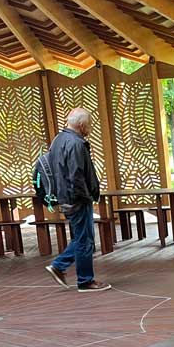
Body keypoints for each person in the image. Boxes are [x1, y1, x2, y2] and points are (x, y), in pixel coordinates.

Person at [44, 107, 111, 292]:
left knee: (83, 237)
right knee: (84, 240)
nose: (90, 128)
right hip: (77, 199)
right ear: (81, 125)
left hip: (65, 196)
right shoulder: (76, 144)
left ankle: (61, 266)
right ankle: (84, 280)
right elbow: (76, 175)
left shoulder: (58, 140)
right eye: (89, 124)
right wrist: (86, 196)